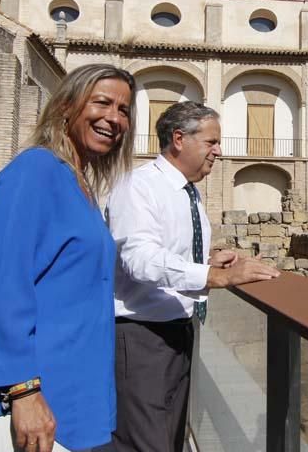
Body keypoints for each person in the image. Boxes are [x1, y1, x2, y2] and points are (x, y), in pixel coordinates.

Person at [0, 64, 137, 452]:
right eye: (102, 102)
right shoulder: (35, 170)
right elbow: (5, 287)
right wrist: (23, 392)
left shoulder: (78, 182)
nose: (114, 118)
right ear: (66, 106)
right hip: (31, 399)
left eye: (124, 110)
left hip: (72, 396)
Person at [108, 101, 281, 452]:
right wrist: (216, 276)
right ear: (178, 139)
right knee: (145, 443)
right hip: (141, 338)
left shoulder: (188, 192)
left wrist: (208, 258)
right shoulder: (138, 187)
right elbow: (139, 259)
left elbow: (166, 249)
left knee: (169, 438)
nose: (219, 151)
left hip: (177, 332)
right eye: (211, 142)